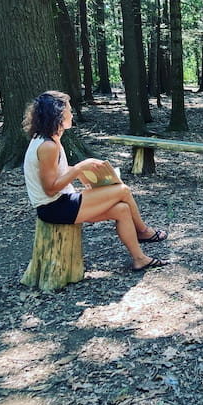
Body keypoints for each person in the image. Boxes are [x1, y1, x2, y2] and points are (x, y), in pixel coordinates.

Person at [22, 91, 168, 272]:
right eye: (68, 110)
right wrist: (80, 168)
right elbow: (50, 189)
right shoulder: (47, 146)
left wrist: (86, 175)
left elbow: (55, 173)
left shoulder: (49, 140)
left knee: (122, 210)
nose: (71, 114)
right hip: (53, 207)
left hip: (61, 202)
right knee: (122, 190)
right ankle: (144, 231)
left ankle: (140, 259)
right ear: (58, 114)